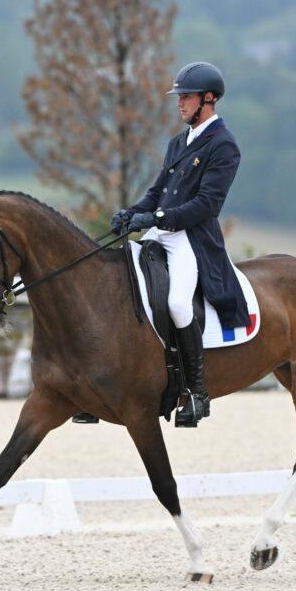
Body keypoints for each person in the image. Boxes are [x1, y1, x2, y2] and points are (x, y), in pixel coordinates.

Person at [111, 61, 250, 427]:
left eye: (185, 97)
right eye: (179, 97)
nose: (179, 104)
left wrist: (155, 219)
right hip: (162, 232)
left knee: (176, 302)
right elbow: (158, 192)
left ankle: (196, 392)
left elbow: (207, 205)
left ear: (209, 99)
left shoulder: (224, 145)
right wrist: (132, 213)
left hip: (192, 239)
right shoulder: (178, 142)